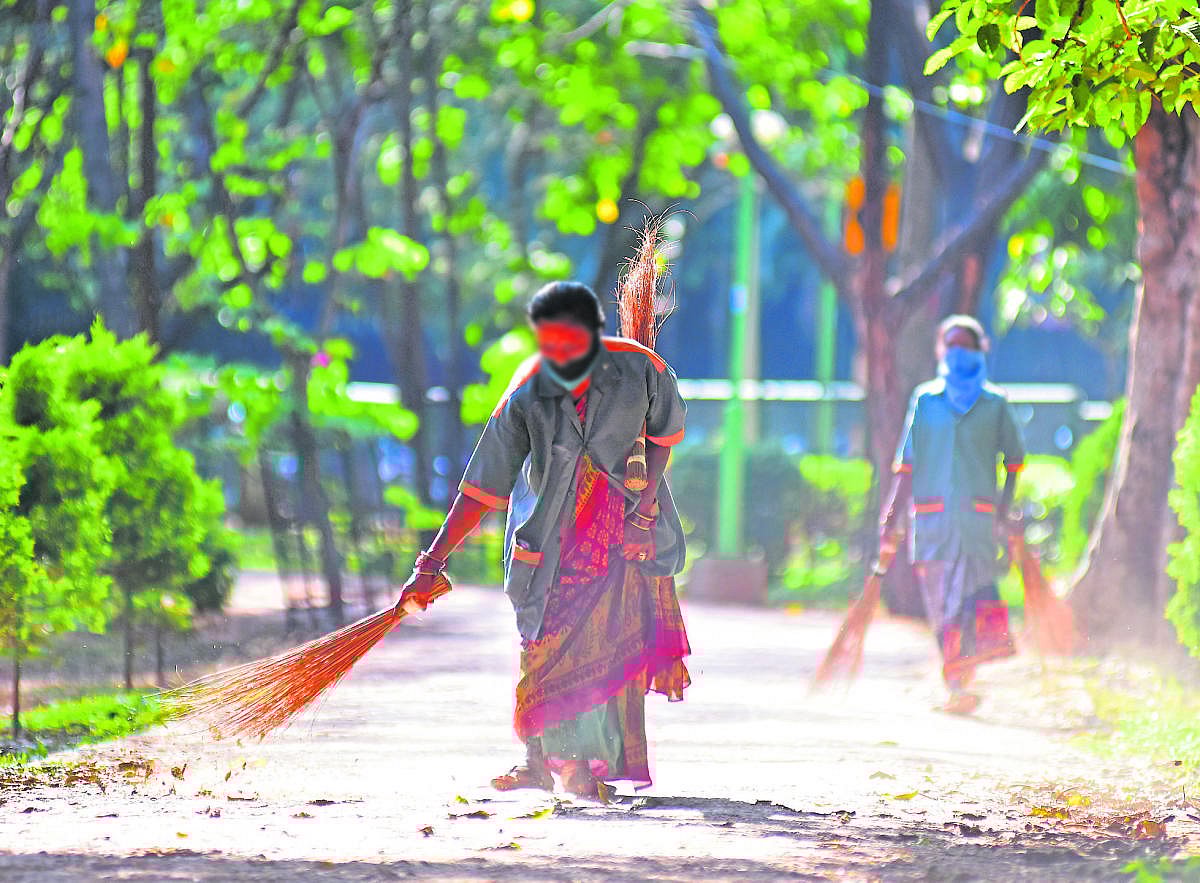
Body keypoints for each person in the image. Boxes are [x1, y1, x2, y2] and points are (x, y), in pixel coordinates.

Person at [397, 281, 691, 797]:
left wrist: (643, 516)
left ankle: (580, 765)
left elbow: (664, 439)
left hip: (621, 537)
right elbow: (482, 489)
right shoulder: (526, 390)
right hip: (546, 540)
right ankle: (535, 760)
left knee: (604, 643)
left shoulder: (642, 368)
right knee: (542, 644)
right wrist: (432, 561)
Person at [879, 315, 1025, 715]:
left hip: (977, 525)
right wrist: (892, 513)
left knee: (969, 603)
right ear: (941, 352)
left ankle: (959, 682)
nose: (959, 353)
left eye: (967, 346)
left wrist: (1003, 508)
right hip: (932, 524)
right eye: (952, 345)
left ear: (981, 351)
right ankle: (956, 677)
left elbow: (1014, 460)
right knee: (941, 606)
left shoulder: (995, 403)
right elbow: (907, 463)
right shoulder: (925, 400)